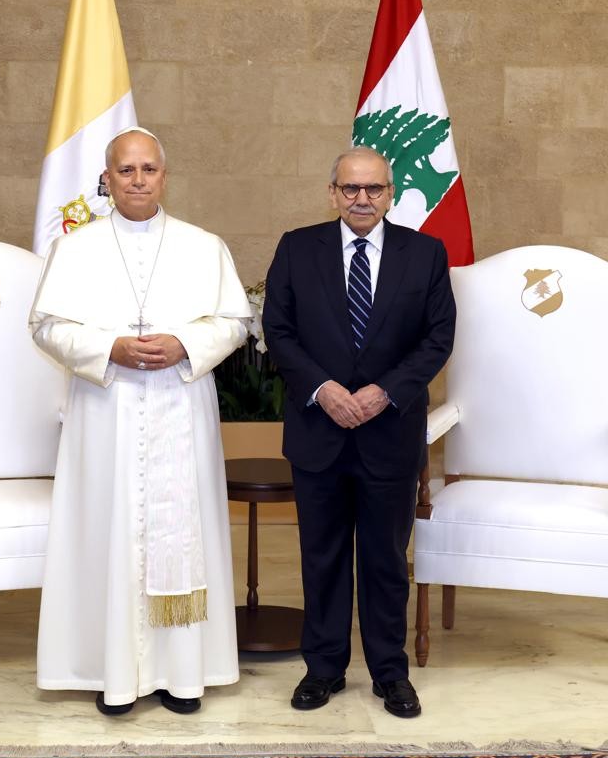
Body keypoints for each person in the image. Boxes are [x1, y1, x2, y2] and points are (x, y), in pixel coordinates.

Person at [29, 127, 251, 716]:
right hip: (108, 412)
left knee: (182, 534)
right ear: (107, 178)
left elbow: (234, 322)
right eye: (125, 170)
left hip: (181, 404)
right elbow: (46, 326)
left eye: (148, 169)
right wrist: (109, 348)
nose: (137, 180)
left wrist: (183, 344)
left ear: (164, 176)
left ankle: (183, 675)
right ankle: (113, 675)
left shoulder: (204, 246)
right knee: (112, 532)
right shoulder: (75, 250)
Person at [261, 146, 455, 718]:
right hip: (318, 430)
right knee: (321, 557)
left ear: (390, 194)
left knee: (385, 560)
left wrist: (384, 391)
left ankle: (390, 672)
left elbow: (438, 338)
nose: (362, 199)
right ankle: (323, 668)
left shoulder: (426, 254)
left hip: (389, 432)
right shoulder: (297, 249)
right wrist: (323, 389)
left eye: (374, 189)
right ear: (332, 193)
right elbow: (279, 330)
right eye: (351, 188)